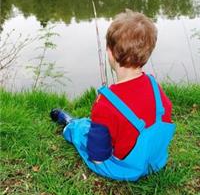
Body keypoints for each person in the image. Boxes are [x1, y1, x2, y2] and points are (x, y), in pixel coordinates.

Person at [50, 10, 176, 181]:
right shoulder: (154, 85)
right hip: (155, 161)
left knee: (83, 130)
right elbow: (164, 112)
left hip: (125, 168)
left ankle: (68, 125)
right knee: (97, 126)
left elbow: (98, 156)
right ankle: (77, 124)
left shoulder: (105, 104)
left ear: (110, 53)